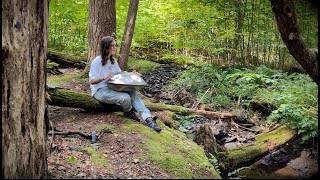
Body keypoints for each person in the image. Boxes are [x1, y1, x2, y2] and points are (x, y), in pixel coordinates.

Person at [89, 36, 162, 132]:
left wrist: (132, 74)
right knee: (126, 97)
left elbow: (120, 74)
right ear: (106, 47)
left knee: (132, 90)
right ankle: (128, 111)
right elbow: (91, 81)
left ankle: (148, 118)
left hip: (110, 86)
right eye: (113, 46)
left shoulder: (113, 61)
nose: (115, 48)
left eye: (116, 45)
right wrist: (104, 77)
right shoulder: (97, 61)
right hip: (99, 90)